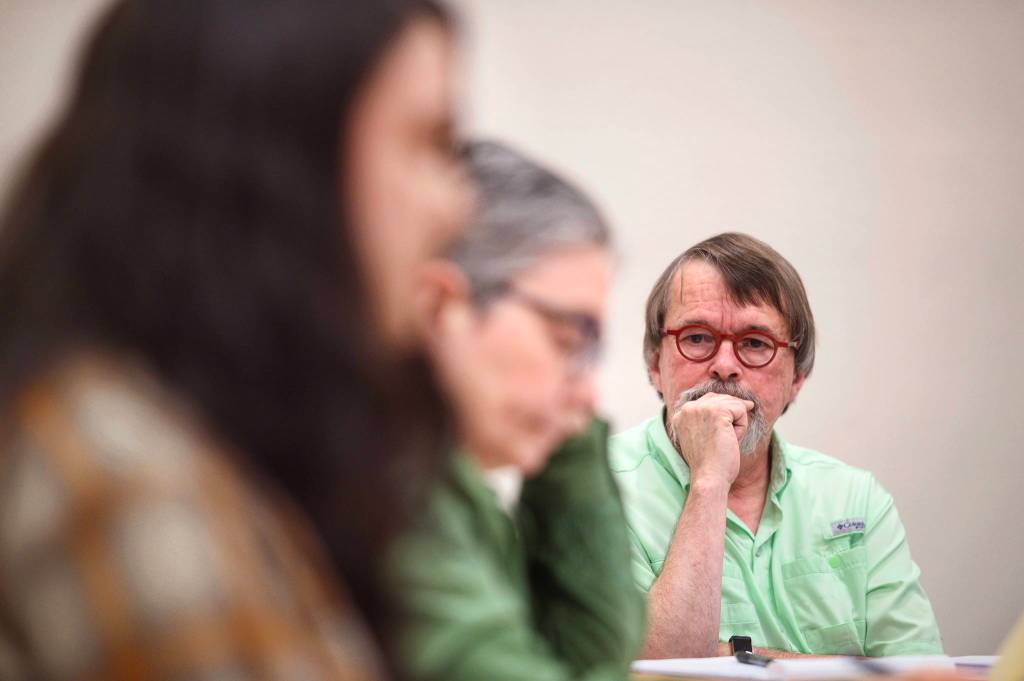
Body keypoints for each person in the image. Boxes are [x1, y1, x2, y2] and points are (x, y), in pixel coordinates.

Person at [0, 1, 471, 679]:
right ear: (284, 157)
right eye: (430, 142)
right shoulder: (126, 476)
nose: (458, 204)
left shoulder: (200, 446)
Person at [610, 232, 943, 658]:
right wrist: (709, 482)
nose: (725, 366)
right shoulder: (595, 490)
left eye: (754, 343)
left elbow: (922, 672)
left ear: (796, 378)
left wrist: (731, 656)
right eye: (696, 337)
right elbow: (653, 669)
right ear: (655, 364)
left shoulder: (855, 498)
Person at [386, 140, 645, 681]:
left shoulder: (453, 481)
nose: (589, 396)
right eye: (568, 338)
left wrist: (562, 413)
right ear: (438, 307)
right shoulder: (382, 483)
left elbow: (590, 653)